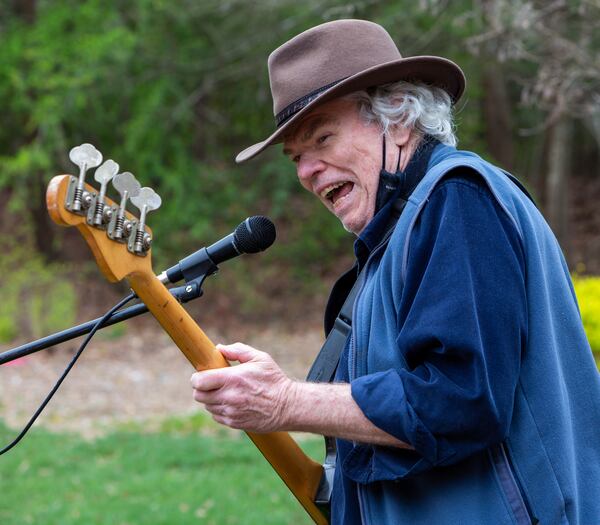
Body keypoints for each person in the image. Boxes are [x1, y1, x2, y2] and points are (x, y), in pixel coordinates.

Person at [190, 19, 600, 524]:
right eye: (296, 157)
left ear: (399, 120)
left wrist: (285, 401)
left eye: (322, 138)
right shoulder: (404, 229)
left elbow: (461, 399)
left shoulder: (456, 199)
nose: (305, 171)